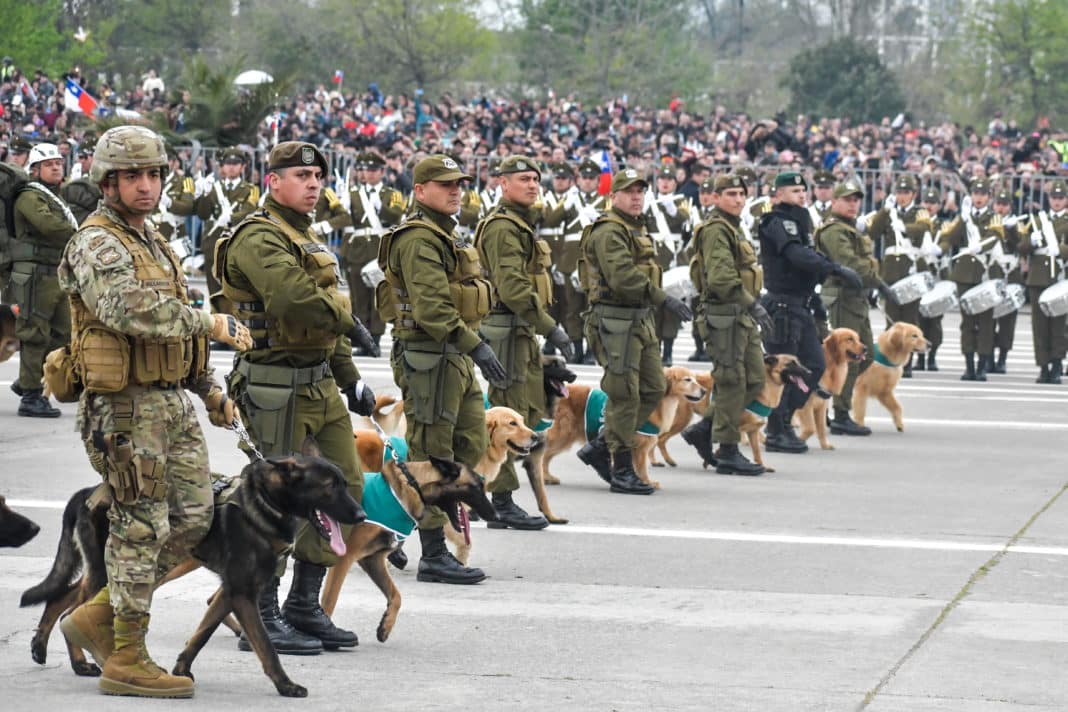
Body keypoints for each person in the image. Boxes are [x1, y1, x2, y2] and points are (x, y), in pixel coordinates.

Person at [57, 124, 252, 698]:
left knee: (193, 520)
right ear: (107, 181)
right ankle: (127, 655)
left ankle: (98, 615)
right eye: (132, 177)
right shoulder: (96, 242)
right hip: (122, 409)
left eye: (153, 175)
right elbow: (128, 309)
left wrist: (208, 386)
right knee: (139, 527)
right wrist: (210, 322)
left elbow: (172, 326)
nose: (146, 186)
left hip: (169, 401)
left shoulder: (153, 238)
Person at [214, 141, 373, 654]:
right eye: (301, 174)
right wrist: (353, 321)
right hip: (272, 384)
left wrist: (350, 378)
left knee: (344, 488)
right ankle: (260, 611)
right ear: (273, 181)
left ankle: (305, 605)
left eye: (319, 176)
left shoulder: (308, 236)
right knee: (274, 501)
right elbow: (291, 298)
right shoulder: (258, 236)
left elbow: (324, 323)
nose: (313, 184)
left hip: (319, 381)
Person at [378, 154, 505, 583]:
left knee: (468, 446)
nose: (456, 190)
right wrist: (479, 346)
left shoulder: (445, 235)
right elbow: (432, 310)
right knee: (432, 456)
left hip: (454, 356)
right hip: (430, 358)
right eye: (445, 184)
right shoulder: (418, 239)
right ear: (419, 190)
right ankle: (432, 551)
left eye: (460, 184)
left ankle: (404, 529)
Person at [577, 168, 692, 494]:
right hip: (615, 321)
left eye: (641, 191)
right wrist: (663, 299)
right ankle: (622, 467)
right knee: (624, 393)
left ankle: (601, 445)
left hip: (638, 319)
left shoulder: (635, 227)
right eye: (629, 191)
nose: (637, 196)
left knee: (655, 386)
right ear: (613, 196)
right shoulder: (609, 231)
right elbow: (623, 277)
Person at [475, 155, 572, 528]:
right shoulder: (503, 227)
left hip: (520, 330)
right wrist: (551, 327)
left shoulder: (519, 224)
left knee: (527, 413)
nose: (532, 184)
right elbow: (514, 287)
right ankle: (500, 501)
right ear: (502, 183)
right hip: (507, 330)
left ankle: (502, 497)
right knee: (509, 417)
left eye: (535, 179)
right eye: (523, 179)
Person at [758, 172, 863, 453]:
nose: (801, 195)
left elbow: (807, 259)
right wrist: (835, 268)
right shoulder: (777, 222)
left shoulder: (800, 221)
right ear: (778, 195)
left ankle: (784, 418)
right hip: (782, 307)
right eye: (794, 191)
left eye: (803, 190)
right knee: (786, 371)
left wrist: (815, 302)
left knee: (814, 367)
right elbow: (797, 256)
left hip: (800, 305)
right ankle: (776, 428)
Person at [682, 173, 769, 475]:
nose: (738, 199)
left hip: (740, 315)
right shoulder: (717, 229)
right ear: (715, 197)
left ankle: (705, 427)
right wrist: (752, 304)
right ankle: (728, 448)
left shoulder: (734, 228)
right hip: (724, 315)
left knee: (756, 378)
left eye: (742, 194)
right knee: (731, 381)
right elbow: (721, 278)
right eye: (730, 194)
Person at [816, 180, 897, 436]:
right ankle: (840, 413)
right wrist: (880, 283)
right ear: (835, 202)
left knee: (866, 355)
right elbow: (849, 263)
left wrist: (871, 287)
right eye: (847, 199)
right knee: (848, 357)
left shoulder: (849, 228)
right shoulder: (833, 230)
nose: (853, 204)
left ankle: (832, 400)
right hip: (842, 297)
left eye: (856, 200)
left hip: (856, 297)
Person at [9, 142, 78, 417]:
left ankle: (29, 380)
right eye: (49, 164)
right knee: (35, 334)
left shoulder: (53, 196)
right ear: (35, 169)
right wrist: (80, 231)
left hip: (54, 273)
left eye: (58, 163)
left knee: (62, 333)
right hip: (34, 273)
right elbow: (49, 226)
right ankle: (30, 396)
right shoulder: (30, 196)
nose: (56, 167)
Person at [937, 178, 1008, 381]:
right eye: (976, 194)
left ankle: (982, 365)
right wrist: (963, 219)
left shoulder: (994, 217)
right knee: (967, 322)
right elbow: (949, 238)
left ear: (988, 197)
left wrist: (981, 245)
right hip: (965, 274)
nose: (978, 198)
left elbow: (995, 236)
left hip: (985, 273)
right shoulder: (965, 217)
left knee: (986, 322)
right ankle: (969, 364)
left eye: (982, 194)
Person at [867, 174, 937, 377]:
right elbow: (873, 232)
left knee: (910, 318)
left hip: (910, 270)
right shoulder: (891, 212)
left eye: (906, 192)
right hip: (890, 272)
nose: (902, 196)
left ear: (914, 194)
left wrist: (905, 227)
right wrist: (885, 210)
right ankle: (890, 360)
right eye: (899, 192)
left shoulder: (919, 212)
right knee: (892, 320)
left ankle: (907, 363)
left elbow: (925, 227)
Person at [343, 152, 406, 355]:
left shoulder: (391, 194)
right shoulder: (352, 194)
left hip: (380, 247)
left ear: (381, 172)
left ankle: (376, 339)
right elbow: (345, 222)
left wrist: (381, 206)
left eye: (373, 170)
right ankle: (363, 339)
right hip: (358, 249)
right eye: (365, 170)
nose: (368, 174)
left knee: (379, 297)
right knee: (358, 298)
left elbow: (397, 216)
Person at [1017, 180, 1068, 383]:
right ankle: (1043, 366)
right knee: (1039, 326)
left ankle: (1057, 364)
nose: (1057, 201)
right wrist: (1032, 241)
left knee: (1058, 325)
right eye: (1053, 198)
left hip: (1059, 278)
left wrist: (1062, 251)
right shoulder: (1038, 221)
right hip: (1038, 278)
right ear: (1049, 199)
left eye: (1060, 198)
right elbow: (1020, 248)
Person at [195, 147, 259, 300]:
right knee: (214, 291)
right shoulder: (214, 188)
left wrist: (231, 218)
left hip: (238, 243)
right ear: (222, 166)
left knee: (237, 290)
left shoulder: (250, 189)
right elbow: (203, 214)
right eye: (228, 163)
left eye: (236, 163)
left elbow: (249, 210)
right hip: (214, 243)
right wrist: (203, 194)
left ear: (243, 166)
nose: (231, 166)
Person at [644, 166, 691, 365]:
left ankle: (669, 352)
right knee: (653, 308)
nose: (665, 182)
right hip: (654, 260)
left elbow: (687, 222)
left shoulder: (681, 201)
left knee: (671, 311)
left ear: (675, 182)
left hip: (673, 260)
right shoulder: (649, 201)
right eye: (662, 178)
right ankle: (655, 348)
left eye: (669, 179)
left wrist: (675, 211)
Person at [989, 187, 1025, 374]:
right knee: (988, 320)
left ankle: (1002, 358)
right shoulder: (988, 221)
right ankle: (987, 357)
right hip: (993, 272)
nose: (1001, 208)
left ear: (1010, 206)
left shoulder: (1016, 224)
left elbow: (1020, 245)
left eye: (1004, 205)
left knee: (1007, 321)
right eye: (998, 204)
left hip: (1011, 274)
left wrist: (1010, 230)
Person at [916, 186, 947, 370]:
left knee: (935, 320)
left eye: (933, 203)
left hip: (936, 273)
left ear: (938, 205)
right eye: (926, 202)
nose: (929, 206)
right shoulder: (917, 223)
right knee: (919, 318)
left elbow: (948, 238)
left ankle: (932, 356)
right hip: (919, 274)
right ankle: (919, 357)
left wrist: (941, 249)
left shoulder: (942, 225)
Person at [153, 144, 197, 243]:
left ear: (174, 162)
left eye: (167, 160)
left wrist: (169, 203)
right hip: (151, 235)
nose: (162, 164)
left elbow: (190, 207)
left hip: (174, 236)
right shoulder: (149, 182)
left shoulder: (186, 181)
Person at [61, 139, 103, 225]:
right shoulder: (78, 171)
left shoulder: (103, 179)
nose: (82, 161)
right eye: (80, 157)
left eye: (85, 157)